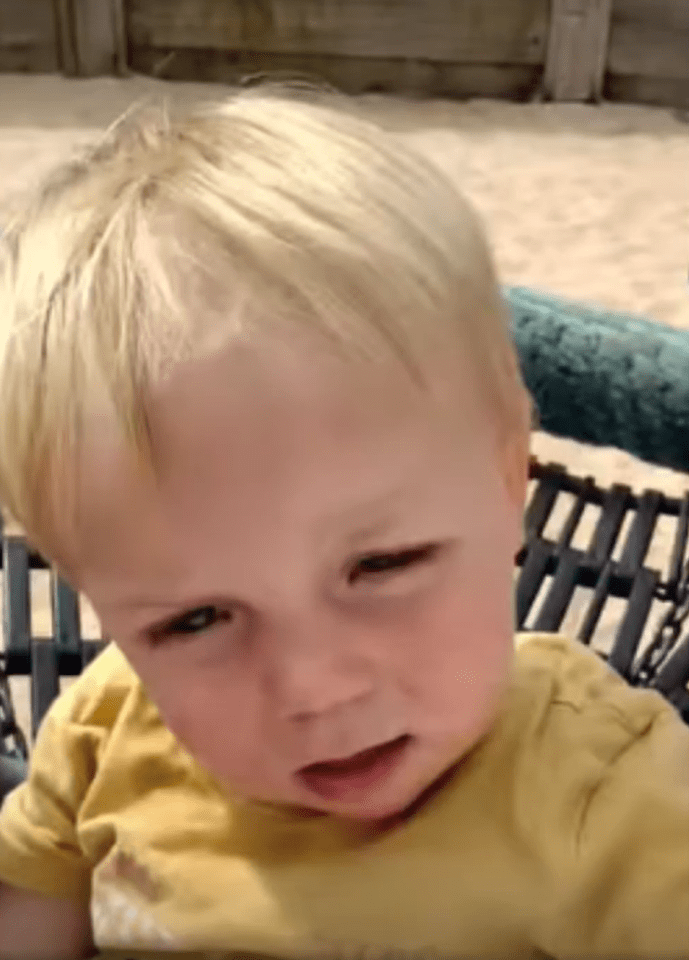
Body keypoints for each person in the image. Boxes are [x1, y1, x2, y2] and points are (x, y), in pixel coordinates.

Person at [0, 86, 686, 960]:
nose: (314, 688)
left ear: (506, 475)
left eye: (381, 565)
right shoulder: (102, 736)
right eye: (194, 620)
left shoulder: (613, 805)